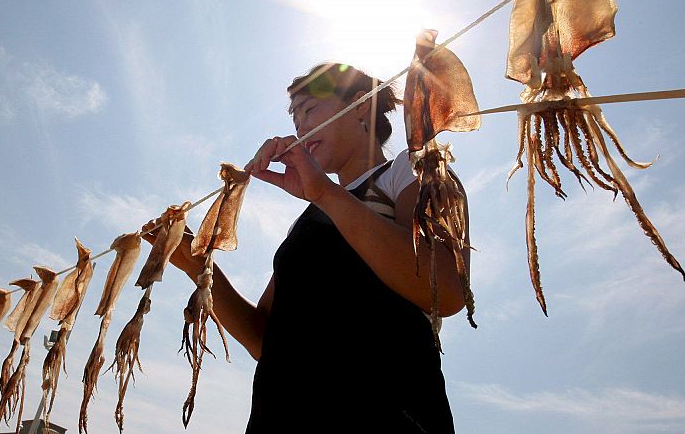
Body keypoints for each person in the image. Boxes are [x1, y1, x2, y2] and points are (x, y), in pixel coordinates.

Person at [151, 47, 469, 433]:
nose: (301, 128)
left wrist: (325, 194)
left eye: (310, 110)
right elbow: (264, 339)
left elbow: (446, 289)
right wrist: (197, 266)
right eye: (295, 117)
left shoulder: (408, 170)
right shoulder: (308, 222)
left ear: (358, 107)